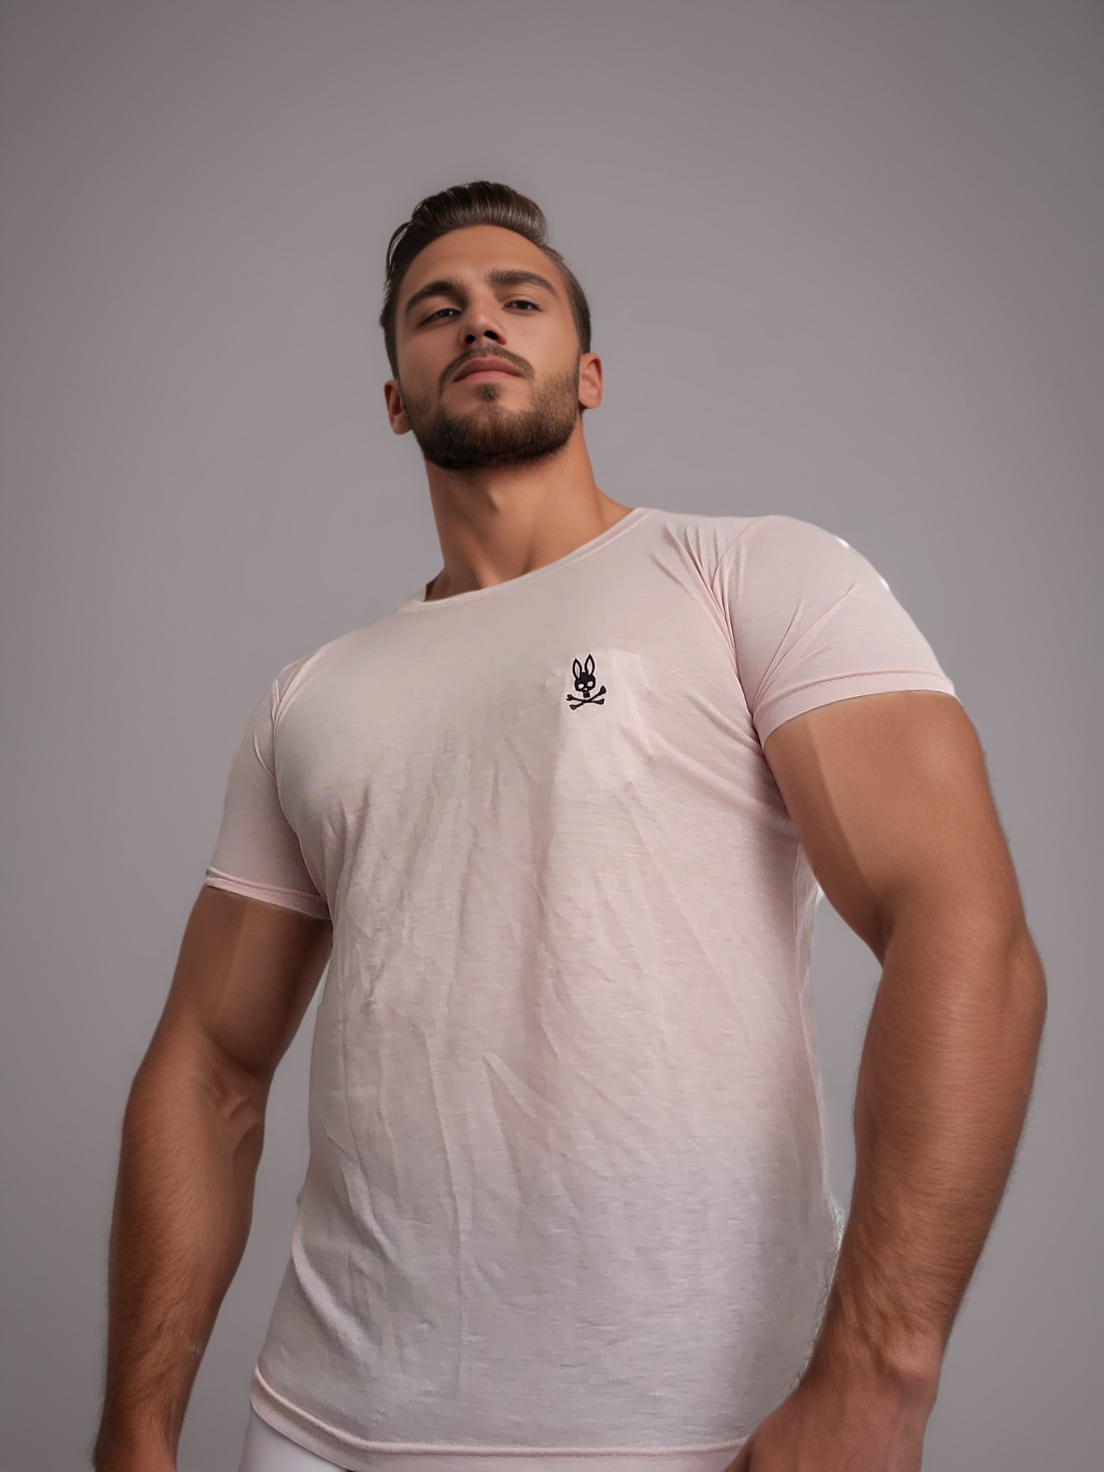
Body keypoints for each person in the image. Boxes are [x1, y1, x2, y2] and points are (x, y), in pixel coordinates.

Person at [92, 182, 1046, 1472]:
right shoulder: (311, 698)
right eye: (436, 310)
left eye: (518, 300)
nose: (478, 323)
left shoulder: (746, 577)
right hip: (323, 1427)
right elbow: (208, 1068)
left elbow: (965, 934)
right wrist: (136, 1427)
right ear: (395, 398)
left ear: (588, 374)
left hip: (698, 1430)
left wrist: (879, 1371)